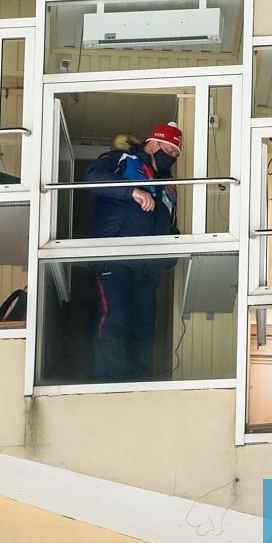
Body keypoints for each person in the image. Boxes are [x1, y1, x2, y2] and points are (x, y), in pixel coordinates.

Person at [85, 122, 183, 381]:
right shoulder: (122, 159)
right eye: (170, 151)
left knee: (144, 331)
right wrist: (132, 191)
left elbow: (172, 226)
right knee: (114, 320)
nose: (172, 158)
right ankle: (107, 385)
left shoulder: (169, 186)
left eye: (176, 155)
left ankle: (139, 387)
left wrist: (173, 251)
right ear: (153, 144)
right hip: (115, 258)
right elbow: (92, 179)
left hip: (148, 270)